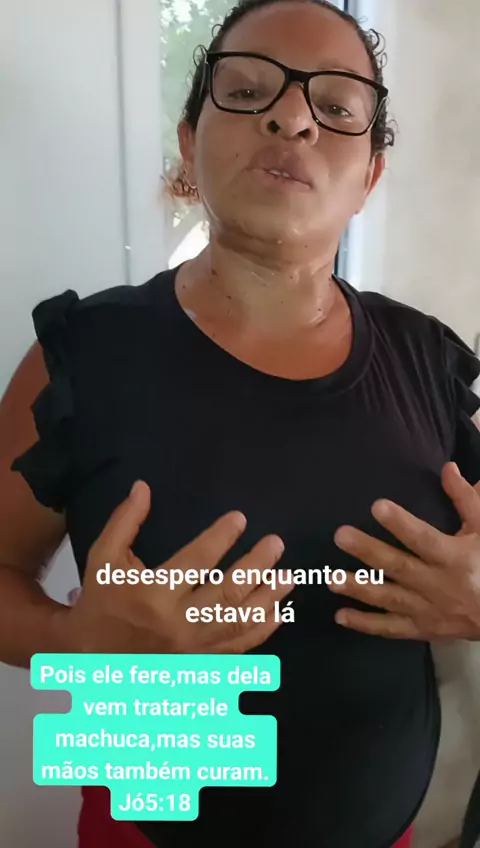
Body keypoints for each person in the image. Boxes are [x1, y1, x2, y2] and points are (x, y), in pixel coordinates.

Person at [2, 0, 480, 846]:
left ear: (370, 177)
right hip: (144, 822)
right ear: (190, 143)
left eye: (336, 106)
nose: (292, 118)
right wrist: (72, 641)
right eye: (250, 90)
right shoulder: (81, 354)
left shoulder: (433, 362)